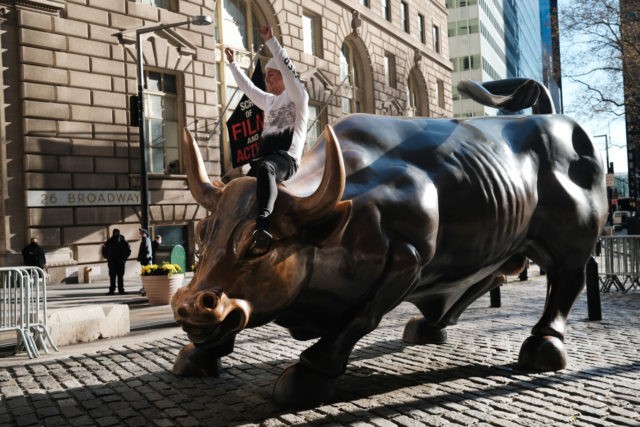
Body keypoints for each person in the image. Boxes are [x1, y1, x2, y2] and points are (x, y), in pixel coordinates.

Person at [225, 25, 309, 256]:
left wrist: (272, 41)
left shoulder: (298, 97)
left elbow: (289, 73)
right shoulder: (269, 102)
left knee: (266, 167)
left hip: (285, 160)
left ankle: (263, 224)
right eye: (266, 77)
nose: (267, 80)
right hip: (263, 161)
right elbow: (247, 88)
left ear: (283, 76)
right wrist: (232, 65)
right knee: (236, 189)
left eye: (271, 75)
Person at [102, 229, 131, 295]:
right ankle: (116, 290)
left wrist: (124, 258)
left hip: (118, 262)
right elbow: (104, 251)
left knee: (118, 277)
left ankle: (117, 290)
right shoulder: (110, 241)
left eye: (117, 233)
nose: (116, 234)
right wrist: (108, 258)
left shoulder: (122, 241)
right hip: (114, 262)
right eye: (115, 233)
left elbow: (128, 251)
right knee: (114, 277)